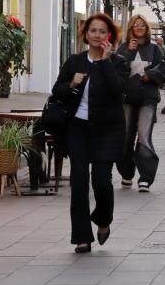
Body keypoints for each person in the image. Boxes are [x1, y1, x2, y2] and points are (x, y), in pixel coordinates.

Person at [51, 13, 129, 254]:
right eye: (92, 31)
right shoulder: (74, 62)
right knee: (79, 181)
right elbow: (57, 91)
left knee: (102, 182)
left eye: (102, 31)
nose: (97, 35)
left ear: (110, 36)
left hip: (107, 130)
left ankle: (104, 219)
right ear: (86, 34)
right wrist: (71, 83)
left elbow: (119, 92)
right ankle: (81, 237)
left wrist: (105, 61)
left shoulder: (118, 63)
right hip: (78, 129)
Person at [116, 15, 165, 192]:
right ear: (130, 28)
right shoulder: (123, 48)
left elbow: (164, 70)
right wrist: (129, 52)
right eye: (135, 25)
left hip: (147, 98)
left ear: (147, 28)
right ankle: (126, 172)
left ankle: (145, 177)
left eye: (142, 25)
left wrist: (150, 75)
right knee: (125, 137)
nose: (139, 27)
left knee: (144, 137)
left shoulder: (155, 49)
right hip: (127, 98)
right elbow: (116, 70)